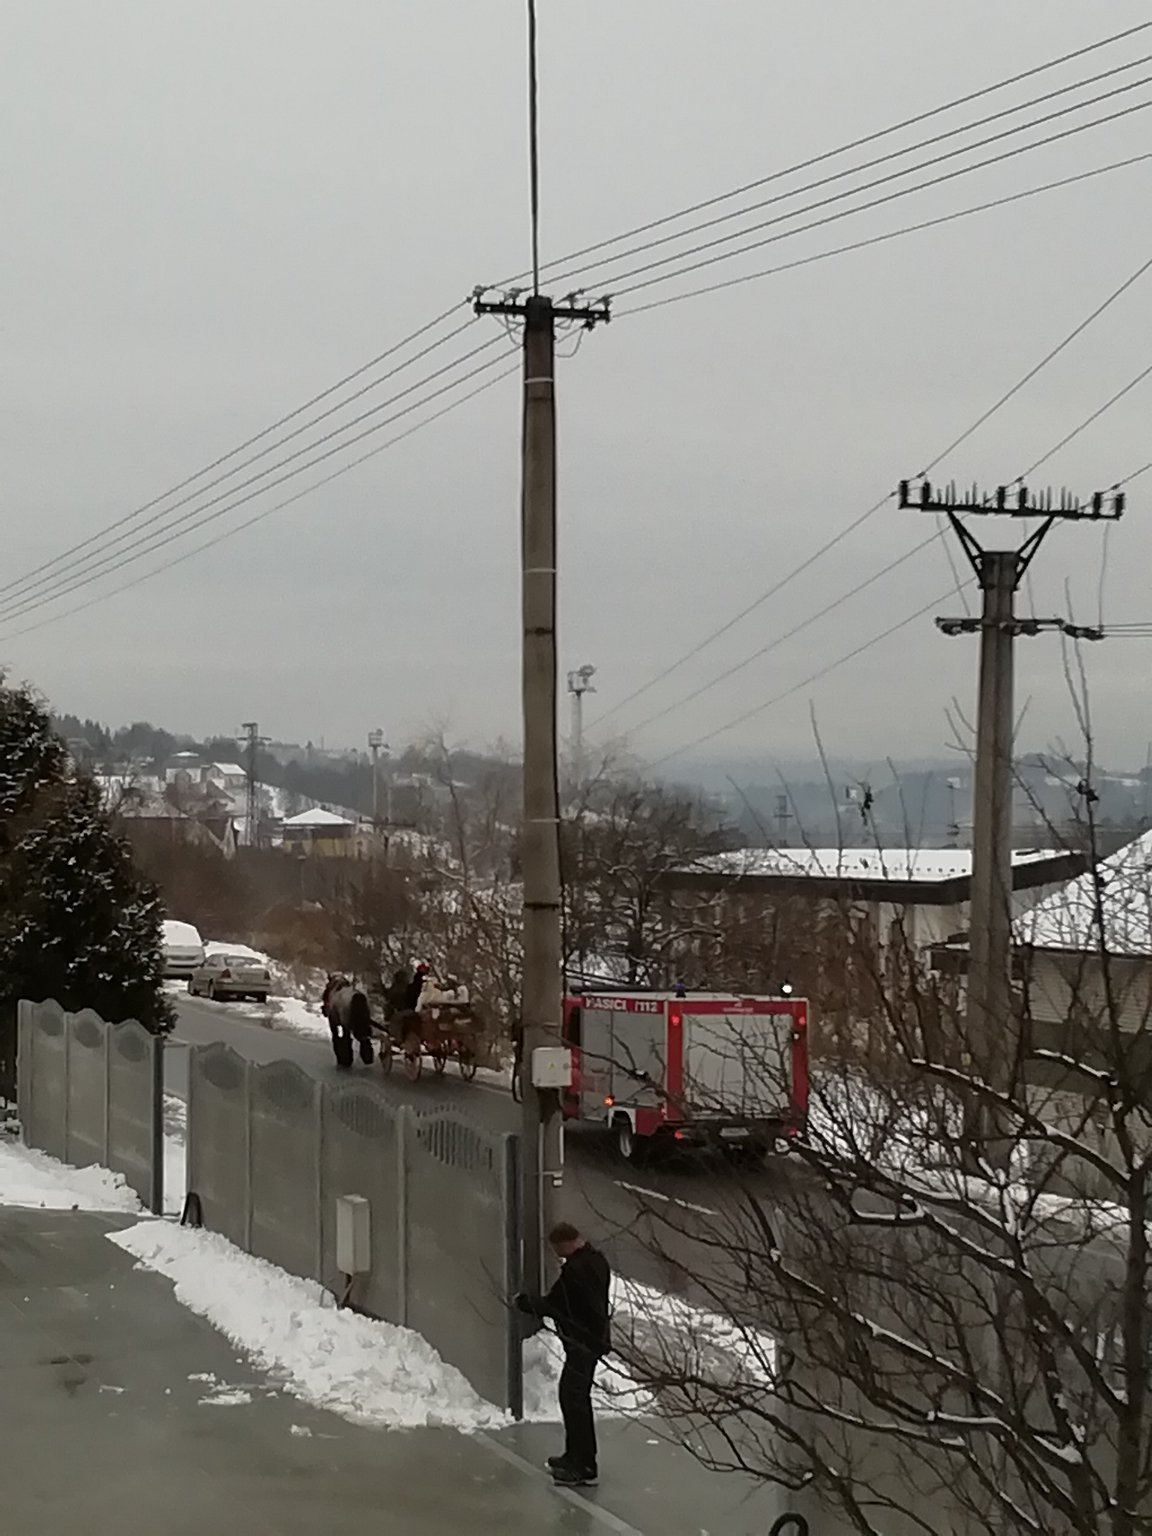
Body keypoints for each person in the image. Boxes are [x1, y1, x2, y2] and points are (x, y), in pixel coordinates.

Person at [516, 1222, 611, 1488]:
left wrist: (525, 1303)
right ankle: (574, 1456)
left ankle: (584, 1464)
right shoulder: (596, 1262)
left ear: (566, 1243)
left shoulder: (577, 1270)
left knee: (574, 1399)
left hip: (582, 1342)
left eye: (557, 1249)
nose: (558, 1255)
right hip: (590, 1341)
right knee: (574, 1397)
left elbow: (557, 1304)